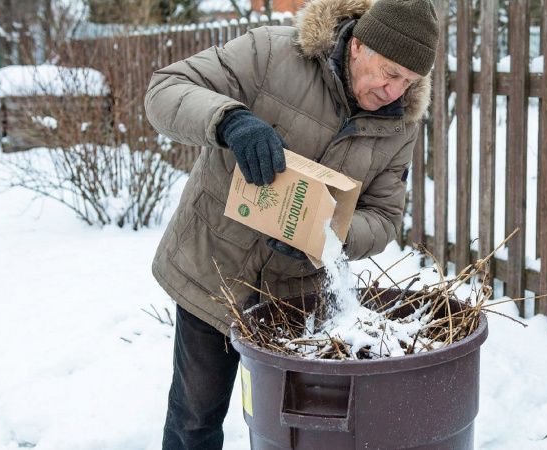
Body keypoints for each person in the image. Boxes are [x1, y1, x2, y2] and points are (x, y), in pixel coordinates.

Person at [143, 0, 439, 448]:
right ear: (358, 45)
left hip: (294, 297)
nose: (394, 91)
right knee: (195, 420)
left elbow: (383, 215)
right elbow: (165, 89)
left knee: (291, 430)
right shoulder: (272, 53)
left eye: (409, 81)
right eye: (390, 72)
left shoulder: (400, 125)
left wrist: (330, 237)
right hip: (214, 270)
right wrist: (230, 120)